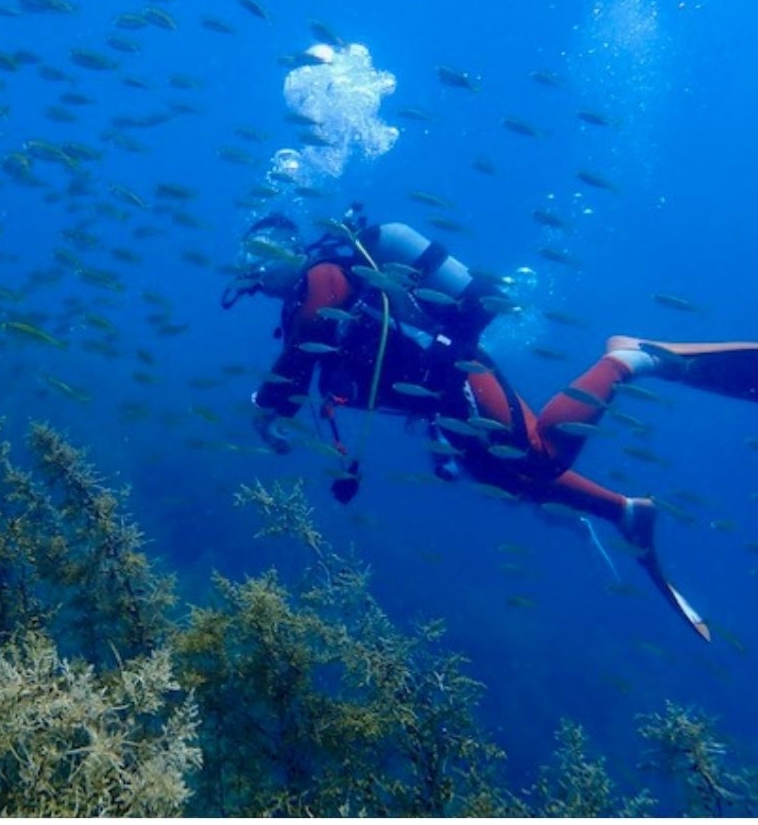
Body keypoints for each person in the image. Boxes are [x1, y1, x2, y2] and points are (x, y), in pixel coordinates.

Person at [223, 206, 758, 642]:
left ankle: (626, 359)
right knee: (509, 476)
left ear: (288, 247)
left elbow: (296, 363)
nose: (254, 267)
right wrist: (275, 412)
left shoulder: (324, 276)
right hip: (440, 406)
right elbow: (311, 368)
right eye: (247, 259)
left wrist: (266, 411)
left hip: (459, 381)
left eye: (260, 252)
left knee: (540, 455)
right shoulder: (300, 310)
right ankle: (623, 511)